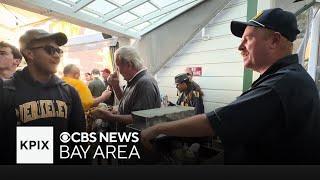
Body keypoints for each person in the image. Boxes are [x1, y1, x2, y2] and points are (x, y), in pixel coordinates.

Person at [141, 8, 320, 164]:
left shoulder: (279, 86)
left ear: (274, 41)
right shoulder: (290, 78)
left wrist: (158, 128)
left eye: (248, 39)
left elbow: (212, 123)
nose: (239, 47)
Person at [0, 29, 86, 164]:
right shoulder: (6, 91)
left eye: (59, 51)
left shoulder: (69, 92)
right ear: (29, 53)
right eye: (50, 49)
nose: (57, 55)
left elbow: (79, 142)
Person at [89, 46, 161, 129]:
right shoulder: (134, 80)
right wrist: (115, 85)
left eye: (118, 67)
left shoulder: (145, 83)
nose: (117, 71)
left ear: (129, 65)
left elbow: (141, 119)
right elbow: (125, 102)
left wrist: (111, 117)